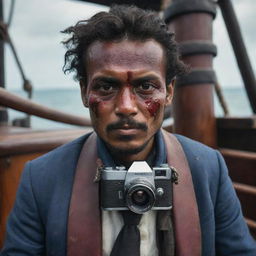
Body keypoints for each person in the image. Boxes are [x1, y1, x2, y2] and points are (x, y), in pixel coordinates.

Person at [1, 4, 256, 256]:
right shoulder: (41, 179)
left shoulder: (210, 169)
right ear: (84, 91)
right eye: (106, 87)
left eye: (145, 86)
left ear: (168, 92)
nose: (126, 107)